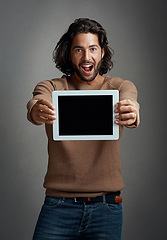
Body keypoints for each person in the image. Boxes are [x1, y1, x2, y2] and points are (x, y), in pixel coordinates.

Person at [27, 18, 140, 240]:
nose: (86, 57)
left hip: (106, 207)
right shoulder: (52, 87)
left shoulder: (119, 86)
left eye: (93, 49)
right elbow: (36, 101)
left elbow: (131, 101)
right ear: (69, 53)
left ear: (103, 52)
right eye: (78, 49)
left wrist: (133, 111)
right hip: (58, 206)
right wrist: (37, 110)